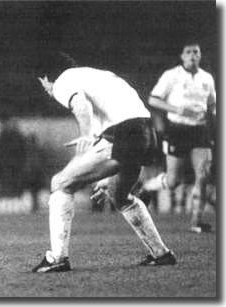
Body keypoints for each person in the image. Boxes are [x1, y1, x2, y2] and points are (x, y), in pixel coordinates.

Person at [33, 52, 175, 273]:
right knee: (119, 196)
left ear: (45, 78)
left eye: (44, 85)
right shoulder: (97, 77)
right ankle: (161, 254)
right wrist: (105, 176)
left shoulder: (64, 80)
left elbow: (81, 105)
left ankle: (57, 258)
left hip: (125, 133)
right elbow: (112, 133)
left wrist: (86, 134)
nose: (47, 90)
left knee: (60, 183)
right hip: (147, 134)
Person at [138, 42, 216, 233]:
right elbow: (153, 99)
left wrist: (212, 116)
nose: (192, 56)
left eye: (196, 52)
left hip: (200, 130)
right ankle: (147, 188)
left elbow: (212, 104)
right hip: (177, 130)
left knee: (204, 174)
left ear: (200, 55)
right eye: (188, 52)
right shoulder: (171, 75)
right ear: (182, 56)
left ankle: (196, 222)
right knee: (174, 181)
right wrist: (177, 109)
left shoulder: (207, 78)